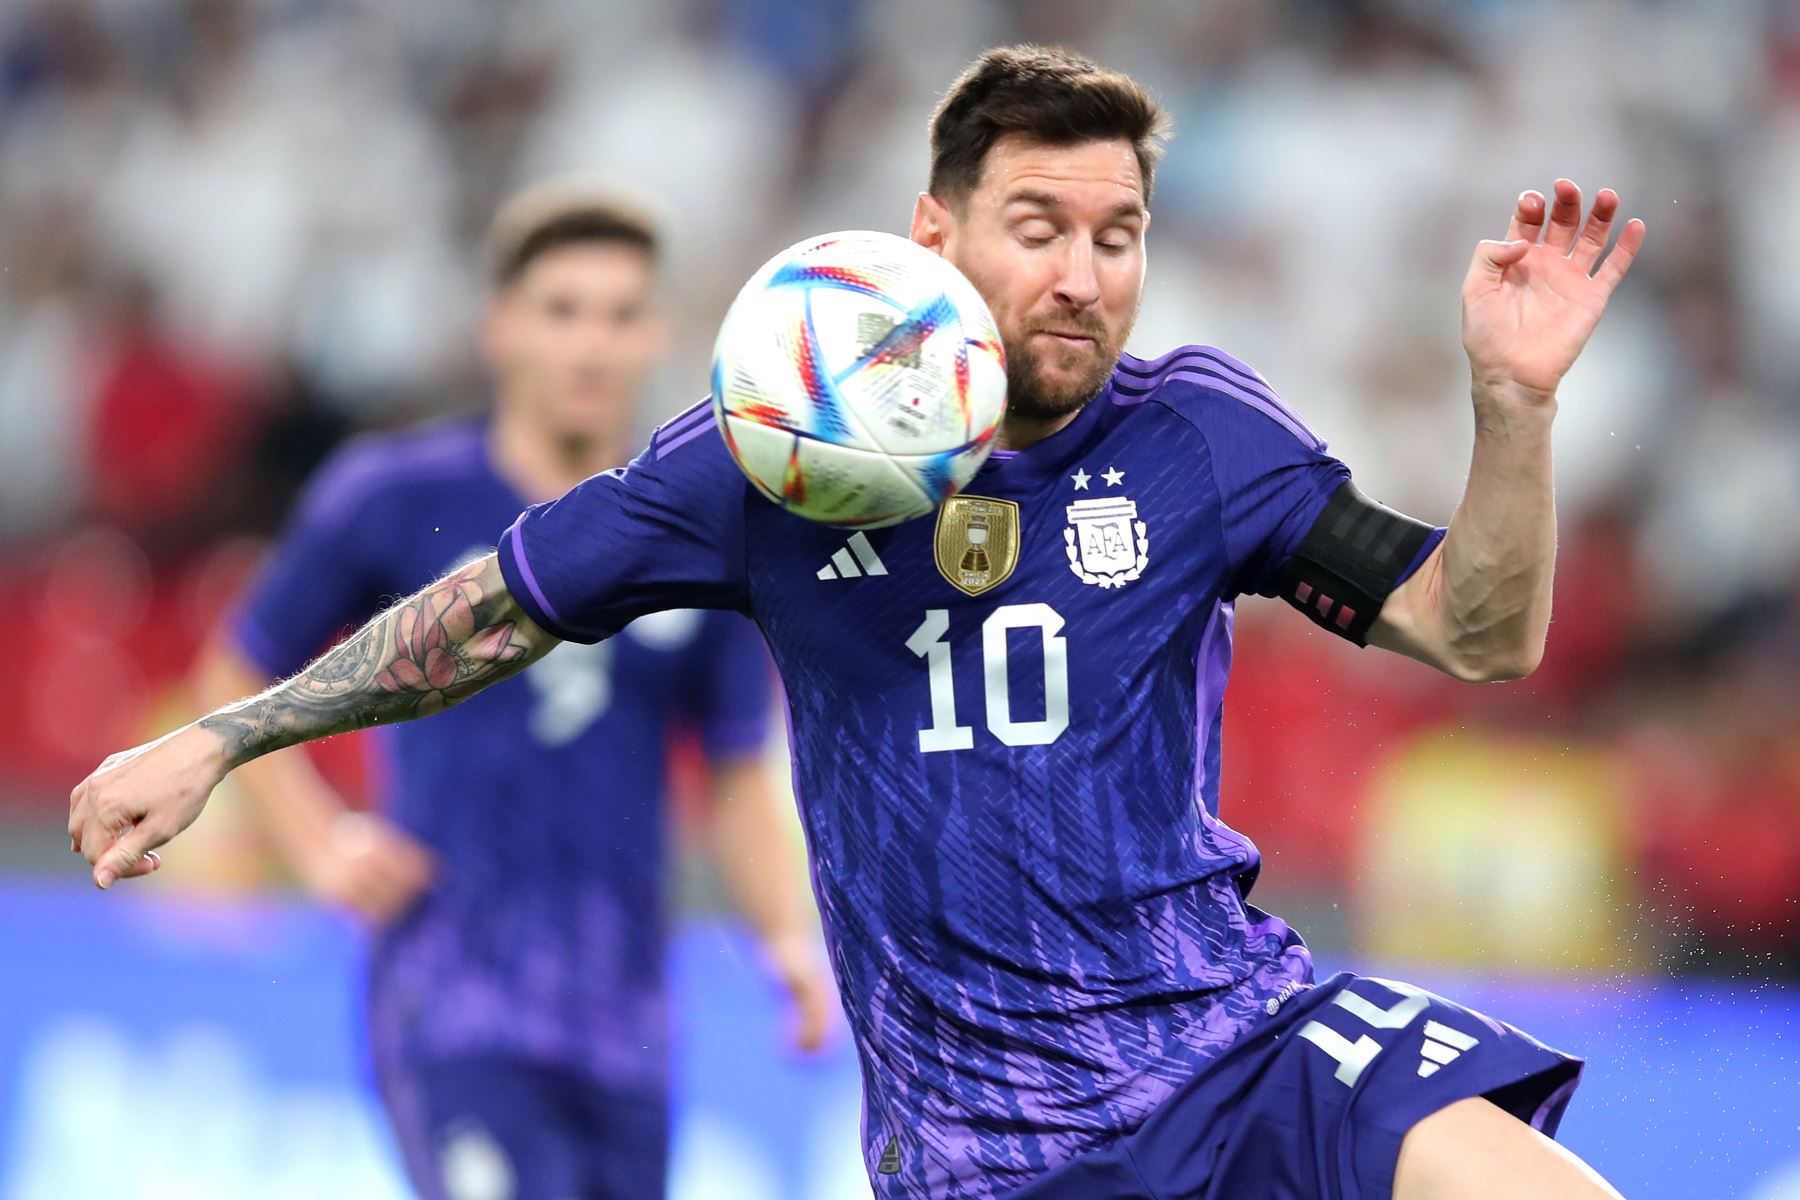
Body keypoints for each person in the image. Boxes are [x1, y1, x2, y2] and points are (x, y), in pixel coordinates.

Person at [71, 46, 1645, 1200]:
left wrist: (1513, 409)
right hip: (1000, 1144)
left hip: (1241, 1036)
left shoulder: (1201, 438)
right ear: (937, 231)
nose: (1085, 275)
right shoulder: (770, 452)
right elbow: (494, 610)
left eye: (1119, 234)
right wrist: (227, 732)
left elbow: (1476, 632)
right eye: (1039, 225)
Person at [188, 183, 831, 1200]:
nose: (592, 344)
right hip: (451, 999)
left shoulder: (704, 536)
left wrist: (786, 936)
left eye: (620, 315)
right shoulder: (397, 498)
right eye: (562, 310)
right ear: (501, 329)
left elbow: (737, 766)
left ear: (655, 334)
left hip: (626, 1024)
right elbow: (237, 666)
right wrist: (317, 840)